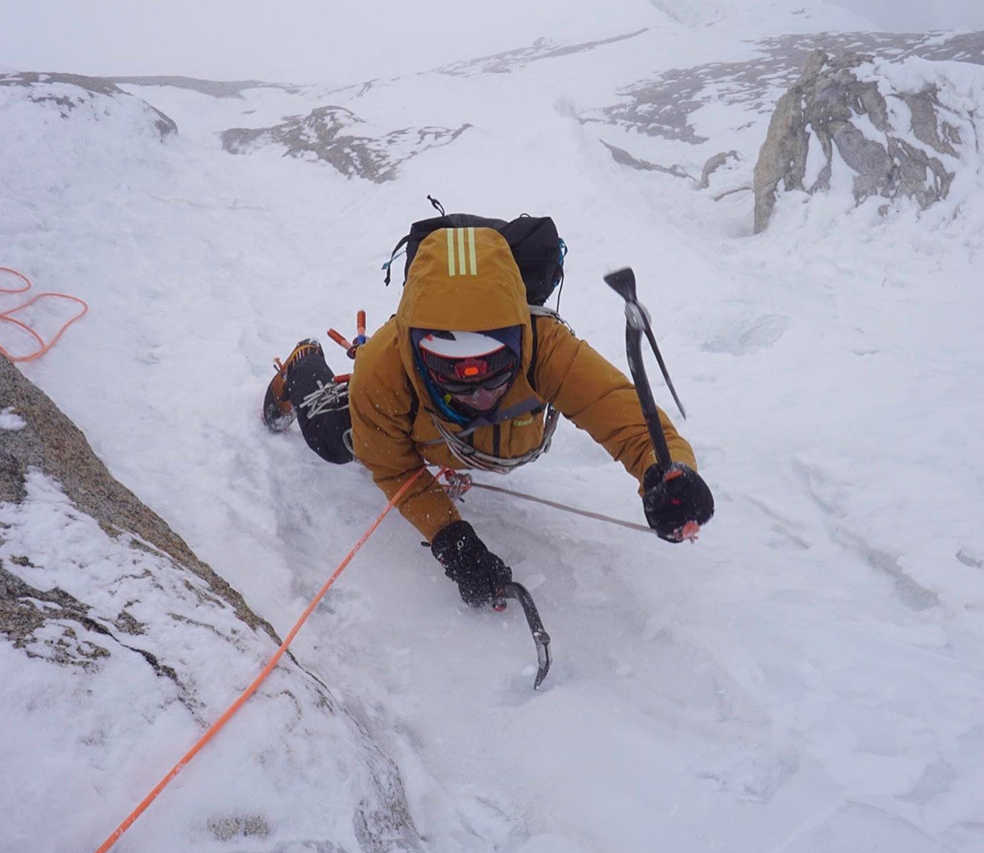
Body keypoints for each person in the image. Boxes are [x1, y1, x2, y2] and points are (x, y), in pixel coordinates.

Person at [263, 226, 714, 607]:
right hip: (417, 430)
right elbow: (392, 467)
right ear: (415, 350)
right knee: (334, 441)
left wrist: (669, 472)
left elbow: (628, 420)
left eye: (493, 368)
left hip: (469, 439)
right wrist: (451, 540)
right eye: (449, 370)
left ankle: (451, 449)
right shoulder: (384, 366)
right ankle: (303, 370)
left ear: (519, 338)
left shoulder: (546, 346)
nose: (476, 392)